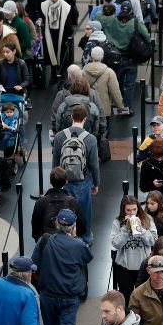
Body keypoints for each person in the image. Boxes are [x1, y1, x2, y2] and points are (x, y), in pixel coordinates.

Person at [31, 209, 94, 325]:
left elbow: (34, 263)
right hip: (69, 297)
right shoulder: (79, 245)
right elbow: (87, 258)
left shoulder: (45, 240)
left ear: (56, 224)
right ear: (73, 227)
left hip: (47, 295)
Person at [52, 105, 101, 246]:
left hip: (64, 180)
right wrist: (96, 183)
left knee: (65, 209)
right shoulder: (91, 139)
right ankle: (85, 237)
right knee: (84, 210)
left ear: (71, 117)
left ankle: (65, 235)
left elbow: (55, 160)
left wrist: (55, 180)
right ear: (85, 119)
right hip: (83, 180)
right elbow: (94, 165)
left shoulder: (60, 136)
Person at [96, 0, 152, 113]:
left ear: (120, 10)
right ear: (131, 11)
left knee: (117, 82)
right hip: (131, 58)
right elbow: (147, 36)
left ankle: (118, 104)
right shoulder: (135, 23)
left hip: (114, 57)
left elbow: (97, 16)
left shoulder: (111, 20)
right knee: (129, 84)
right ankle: (127, 107)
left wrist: (107, 8)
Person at [112, 195, 159, 306]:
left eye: (134, 209)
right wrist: (126, 229)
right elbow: (115, 244)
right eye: (128, 210)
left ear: (138, 208)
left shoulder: (147, 219)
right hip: (124, 267)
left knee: (144, 299)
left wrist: (140, 229)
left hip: (143, 266)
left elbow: (153, 241)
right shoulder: (117, 222)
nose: (132, 213)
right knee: (126, 298)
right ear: (123, 210)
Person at [31, 167, 87, 242]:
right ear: (66, 181)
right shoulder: (73, 202)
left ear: (50, 182)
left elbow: (35, 230)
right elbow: (82, 228)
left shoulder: (40, 202)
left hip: (47, 244)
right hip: (68, 244)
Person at [38, 0, 74, 77]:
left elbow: (69, 23)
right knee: (51, 53)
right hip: (49, 33)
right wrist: (40, 20)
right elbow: (42, 17)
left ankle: (62, 72)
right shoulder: (44, 5)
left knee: (61, 53)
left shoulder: (66, 6)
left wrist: (68, 36)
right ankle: (53, 72)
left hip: (61, 34)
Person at [83, 46, 125, 120]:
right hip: (104, 109)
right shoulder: (109, 72)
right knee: (104, 126)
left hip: (87, 109)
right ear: (102, 57)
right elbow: (115, 91)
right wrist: (120, 107)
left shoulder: (83, 71)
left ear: (91, 57)